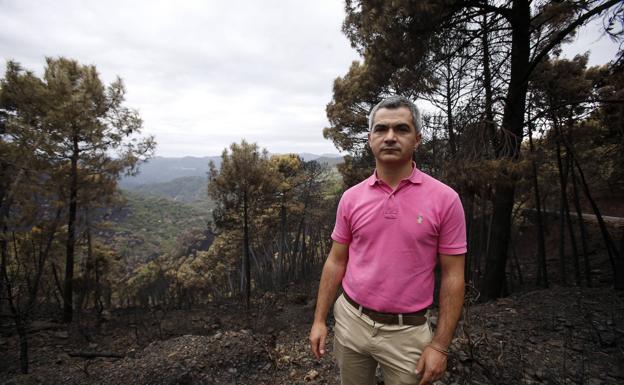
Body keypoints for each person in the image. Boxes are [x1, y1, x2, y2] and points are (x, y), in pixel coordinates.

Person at [309, 96, 466, 385]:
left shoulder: (445, 200)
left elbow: (454, 276)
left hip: (408, 332)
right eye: (381, 129)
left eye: (402, 129)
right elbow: (336, 260)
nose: (390, 137)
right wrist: (319, 320)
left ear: (417, 139)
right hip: (351, 321)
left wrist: (440, 346)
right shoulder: (351, 198)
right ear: (370, 139)